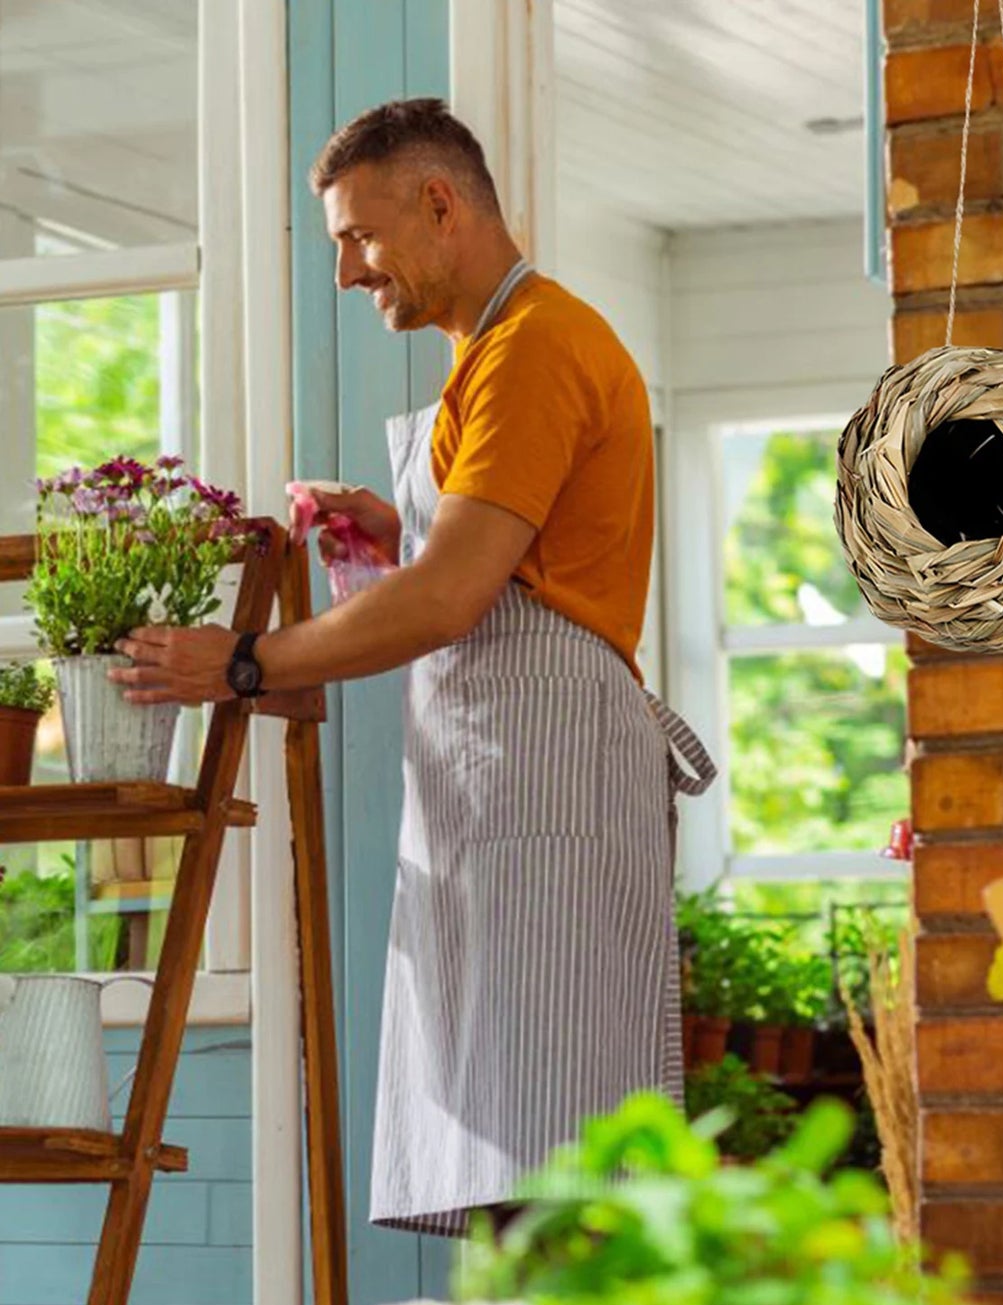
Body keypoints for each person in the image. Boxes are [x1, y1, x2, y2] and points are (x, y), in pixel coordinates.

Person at [113, 97, 714, 1236]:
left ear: (439, 202)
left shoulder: (534, 348)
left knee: (556, 1165)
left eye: (358, 235)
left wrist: (241, 661)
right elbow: (484, 565)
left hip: (547, 780)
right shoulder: (487, 356)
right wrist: (397, 534)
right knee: (517, 1150)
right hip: (508, 785)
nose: (346, 271)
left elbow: (447, 600)